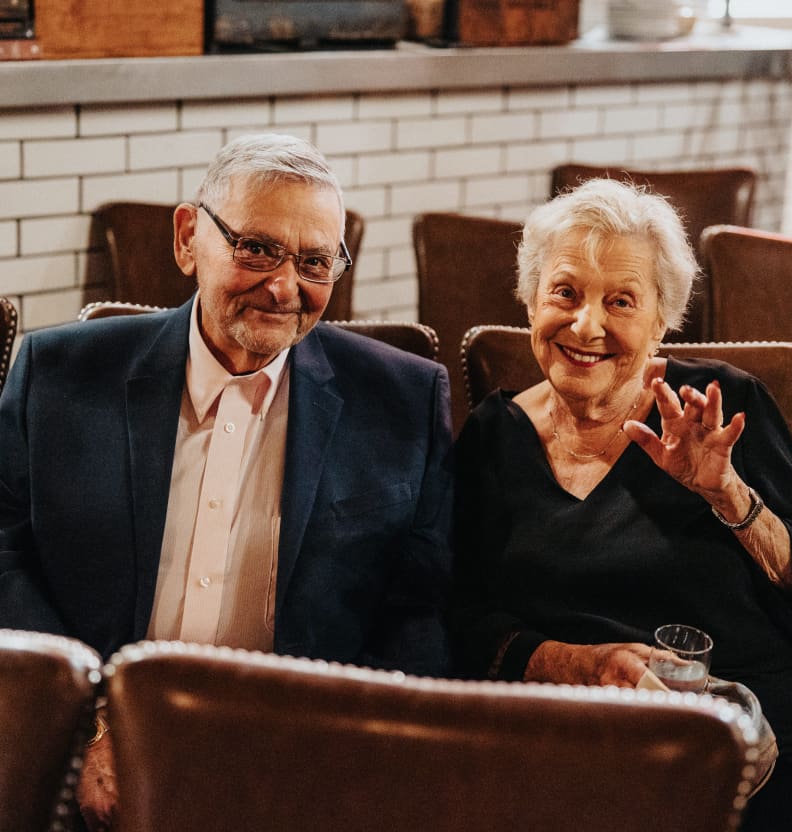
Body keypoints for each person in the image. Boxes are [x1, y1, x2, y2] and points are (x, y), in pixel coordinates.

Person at [0, 133, 453, 829]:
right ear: (189, 239)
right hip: (95, 751)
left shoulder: (402, 400)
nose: (283, 286)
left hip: (304, 766)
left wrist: (346, 759)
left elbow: (420, 610)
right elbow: (6, 553)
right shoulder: (58, 377)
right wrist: (86, 723)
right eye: (257, 248)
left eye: (313, 261)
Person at [451, 178, 792, 832]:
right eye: (564, 292)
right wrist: (571, 662)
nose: (586, 324)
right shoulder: (491, 435)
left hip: (754, 734)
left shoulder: (722, 405)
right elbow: (453, 612)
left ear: (662, 318)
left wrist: (729, 496)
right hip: (575, 739)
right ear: (530, 298)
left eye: (621, 300)